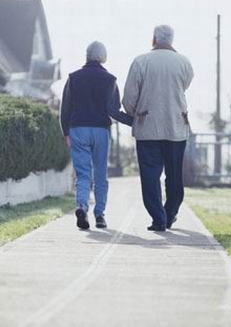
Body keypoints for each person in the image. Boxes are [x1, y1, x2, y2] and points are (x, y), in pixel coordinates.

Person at [123, 25, 194, 232]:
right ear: (171, 40)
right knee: (174, 175)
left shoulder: (141, 61)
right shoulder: (184, 62)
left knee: (150, 176)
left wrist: (134, 113)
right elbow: (184, 85)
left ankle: (158, 218)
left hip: (147, 128)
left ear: (153, 39)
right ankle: (170, 213)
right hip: (176, 126)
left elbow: (129, 98)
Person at [60, 41, 132, 230]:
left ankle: (82, 206)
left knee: (83, 174)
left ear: (87, 55)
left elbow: (65, 107)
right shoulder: (110, 79)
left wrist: (65, 132)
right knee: (101, 174)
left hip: (78, 129)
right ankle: (99, 215)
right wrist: (134, 121)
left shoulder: (73, 78)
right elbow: (113, 110)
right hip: (100, 130)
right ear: (103, 57)